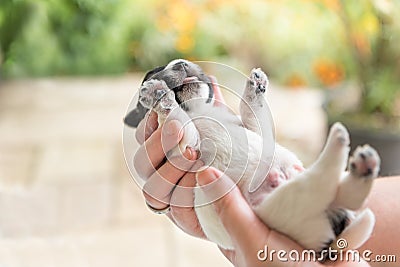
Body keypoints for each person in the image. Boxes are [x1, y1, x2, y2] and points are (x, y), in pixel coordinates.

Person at [132, 79, 400, 267]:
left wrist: (255, 99)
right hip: (266, 203)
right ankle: (344, 181)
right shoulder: (191, 126)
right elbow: (185, 137)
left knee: (325, 197)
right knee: (325, 193)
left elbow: (253, 125)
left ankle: (349, 196)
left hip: (274, 191)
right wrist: (167, 107)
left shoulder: (216, 123)